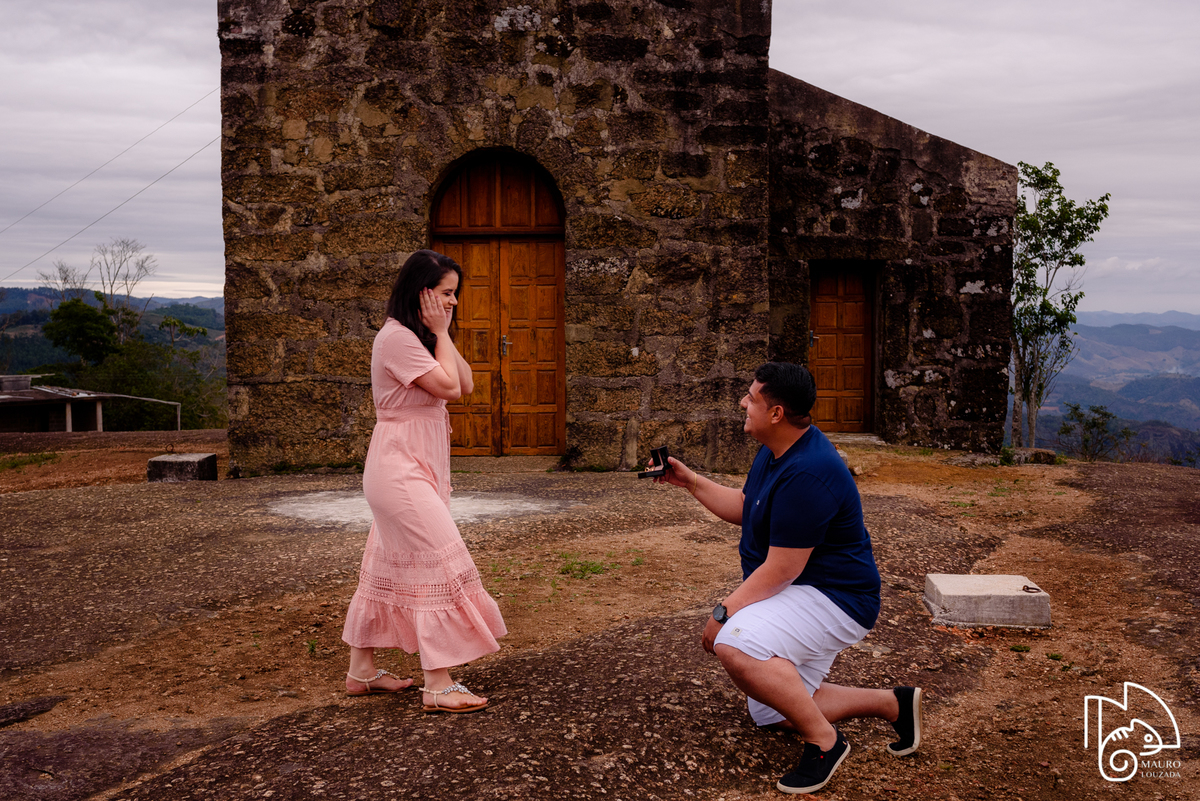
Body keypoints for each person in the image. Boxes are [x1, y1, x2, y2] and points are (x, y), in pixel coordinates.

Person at [651, 362, 921, 794]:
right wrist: (691, 482)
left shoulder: (809, 471)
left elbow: (782, 569)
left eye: (752, 397)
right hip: (802, 591)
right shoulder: (777, 450)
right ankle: (894, 703)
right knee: (772, 710)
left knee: (736, 644)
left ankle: (825, 743)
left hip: (836, 598)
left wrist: (723, 611)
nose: (743, 401)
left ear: (776, 413)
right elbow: (746, 506)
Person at [341, 249, 506, 713]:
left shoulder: (420, 339)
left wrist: (441, 335)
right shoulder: (396, 339)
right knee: (439, 561)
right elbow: (451, 389)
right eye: (446, 293)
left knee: (385, 564)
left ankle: (361, 671)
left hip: (416, 465)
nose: (453, 302)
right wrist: (438, 333)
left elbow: (466, 383)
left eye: (455, 294)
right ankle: (438, 684)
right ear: (423, 293)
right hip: (399, 468)